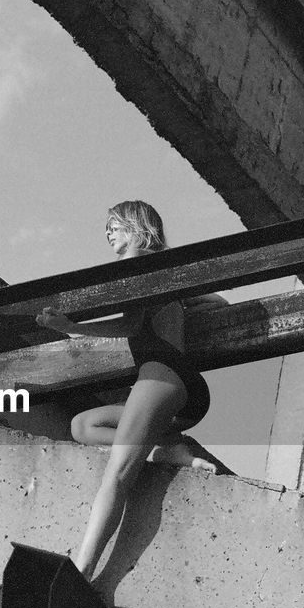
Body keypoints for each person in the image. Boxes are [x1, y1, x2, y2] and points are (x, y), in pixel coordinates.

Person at [36, 200, 219, 581]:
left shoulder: (145, 264)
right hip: (172, 390)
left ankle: (84, 570)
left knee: (118, 474)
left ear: (138, 227)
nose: (108, 234)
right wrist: (72, 327)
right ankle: (167, 450)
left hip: (161, 377)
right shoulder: (158, 272)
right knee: (82, 425)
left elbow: (135, 324)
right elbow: (133, 324)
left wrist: (72, 322)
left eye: (114, 226)